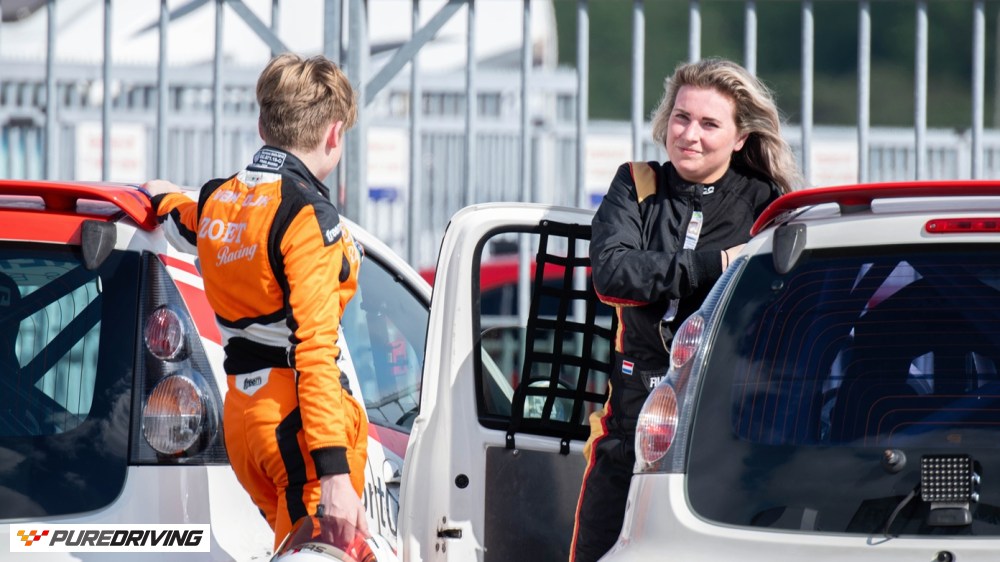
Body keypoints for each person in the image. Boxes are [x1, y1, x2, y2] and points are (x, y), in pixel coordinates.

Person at [569, 57, 802, 562]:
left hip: (724, 427)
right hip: (630, 421)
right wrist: (717, 264)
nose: (689, 135)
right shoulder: (636, 182)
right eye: (681, 117)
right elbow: (613, 274)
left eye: (709, 124)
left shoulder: (766, 203)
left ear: (740, 138)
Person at [143, 52, 368, 550]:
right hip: (301, 432)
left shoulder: (218, 199)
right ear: (334, 135)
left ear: (263, 126)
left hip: (245, 424)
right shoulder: (307, 214)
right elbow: (315, 349)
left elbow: (180, 215)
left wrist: (158, 197)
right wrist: (334, 473)